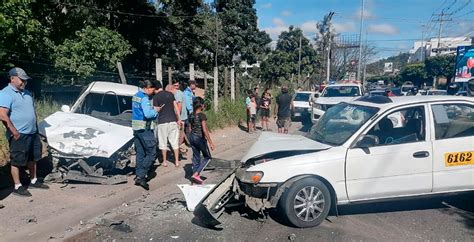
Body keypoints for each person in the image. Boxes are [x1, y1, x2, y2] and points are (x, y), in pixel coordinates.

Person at [0, 67, 49, 197]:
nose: (24, 83)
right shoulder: (5, 93)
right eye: (22, 80)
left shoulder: (27, 93)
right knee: (17, 160)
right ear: (12, 78)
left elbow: (32, 113)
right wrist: (14, 132)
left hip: (32, 133)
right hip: (18, 134)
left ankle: (33, 180)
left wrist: (36, 130)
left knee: (33, 158)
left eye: (25, 80)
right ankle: (17, 186)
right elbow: (2, 115)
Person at [132, 80, 160, 190]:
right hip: (145, 129)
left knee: (140, 153)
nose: (153, 92)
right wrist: (156, 110)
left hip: (137, 129)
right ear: (148, 88)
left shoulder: (136, 96)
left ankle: (138, 175)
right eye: (153, 90)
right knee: (152, 153)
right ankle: (141, 175)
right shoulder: (144, 98)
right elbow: (148, 114)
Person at [154, 84, 182, 167]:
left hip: (162, 122)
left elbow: (155, 110)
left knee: (163, 142)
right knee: (174, 142)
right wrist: (179, 119)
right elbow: (176, 108)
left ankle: (165, 161)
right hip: (173, 121)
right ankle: (176, 161)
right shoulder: (171, 95)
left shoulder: (156, 96)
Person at [189, 97, 215, 184]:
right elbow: (204, 130)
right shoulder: (202, 115)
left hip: (192, 138)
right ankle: (196, 174)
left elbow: (190, 129)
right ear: (201, 106)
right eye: (203, 104)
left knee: (196, 158)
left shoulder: (191, 115)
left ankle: (195, 178)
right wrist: (211, 142)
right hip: (199, 138)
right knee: (207, 157)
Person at [171, 80, 188, 157]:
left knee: (179, 135)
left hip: (180, 117)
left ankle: (182, 150)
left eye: (177, 86)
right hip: (182, 117)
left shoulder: (177, 93)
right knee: (181, 134)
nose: (176, 87)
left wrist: (178, 118)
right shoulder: (179, 93)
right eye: (175, 86)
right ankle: (182, 149)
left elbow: (179, 106)